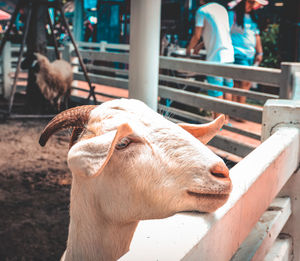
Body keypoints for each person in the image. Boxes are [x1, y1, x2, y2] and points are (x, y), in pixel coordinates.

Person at [186, 0, 234, 119]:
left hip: (215, 58)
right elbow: (220, 33)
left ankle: (218, 125)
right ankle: (226, 121)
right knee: (227, 88)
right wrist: (201, 45)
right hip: (229, 54)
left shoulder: (202, 11)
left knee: (216, 91)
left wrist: (188, 50)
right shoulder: (222, 9)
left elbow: (197, 35)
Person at [228, 0, 268, 108]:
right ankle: (237, 109)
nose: (252, 5)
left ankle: (240, 108)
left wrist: (260, 52)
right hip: (238, 53)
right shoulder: (232, 15)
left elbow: (256, 35)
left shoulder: (253, 17)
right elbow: (226, 31)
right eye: (250, 2)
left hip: (250, 54)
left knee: (246, 83)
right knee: (239, 83)